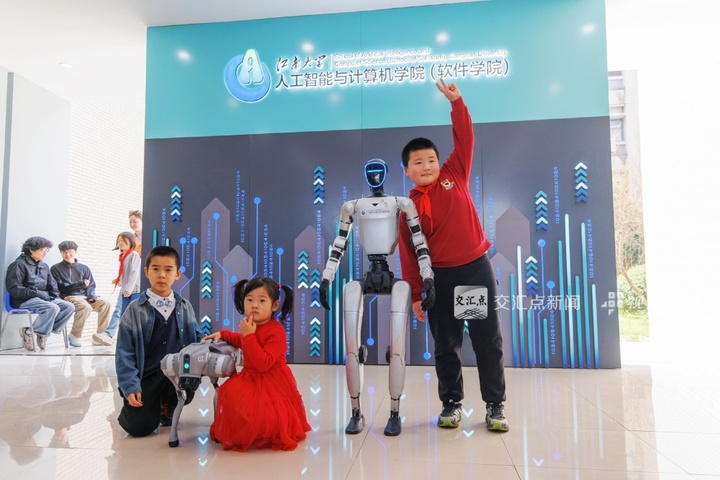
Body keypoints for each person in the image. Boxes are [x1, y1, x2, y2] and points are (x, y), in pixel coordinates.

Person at [398, 79, 509, 432]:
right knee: (447, 345)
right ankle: (451, 404)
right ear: (407, 170)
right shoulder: (407, 207)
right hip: (440, 280)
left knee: (485, 340)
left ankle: (495, 406)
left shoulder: (454, 174)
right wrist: (417, 294)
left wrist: (457, 103)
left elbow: (465, 138)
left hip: (473, 272)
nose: (427, 165)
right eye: (418, 162)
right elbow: (409, 255)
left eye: (431, 159)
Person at [202, 277, 310, 451]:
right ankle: (248, 428)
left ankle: (263, 429)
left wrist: (249, 335)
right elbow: (242, 340)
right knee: (229, 392)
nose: (254, 305)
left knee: (265, 411)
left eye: (262, 301)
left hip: (271, 380)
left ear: (274, 305)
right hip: (251, 376)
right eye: (249, 300)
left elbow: (263, 363)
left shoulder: (276, 331)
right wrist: (223, 334)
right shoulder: (251, 326)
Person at [115, 246, 203, 437]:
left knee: (174, 407)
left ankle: (167, 405)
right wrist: (130, 386)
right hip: (148, 376)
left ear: (177, 274)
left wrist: (212, 342)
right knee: (139, 428)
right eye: (155, 269)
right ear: (146, 272)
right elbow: (124, 353)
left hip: (176, 374)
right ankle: (142, 407)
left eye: (168, 269)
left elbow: (196, 339)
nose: (162, 275)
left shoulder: (185, 306)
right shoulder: (134, 310)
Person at [5, 236, 75, 352]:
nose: (45, 253)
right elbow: (14, 288)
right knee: (52, 308)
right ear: (31, 249)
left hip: (43, 299)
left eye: (47, 250)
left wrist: (54, 297)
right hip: (23, 300)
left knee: (68, 306)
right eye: (42, 250)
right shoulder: (18, 264)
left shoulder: (44, 266)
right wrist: (36, 293)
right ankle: (29, 332)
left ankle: (42, 333)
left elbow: (52, 286)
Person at [50, 240, 113, 347]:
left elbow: (91, 285)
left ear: (75, 251)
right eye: (64, 252)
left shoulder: (84, 268)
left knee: (105, 303)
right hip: (69, 296)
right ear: (61, 253)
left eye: (70, 252)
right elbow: (60, 287)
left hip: (85, 296)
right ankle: (74, 335)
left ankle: (100, 336)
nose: (67, 254)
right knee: (85, 307)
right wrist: (80, 284)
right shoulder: (56, 269)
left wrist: (91, 296)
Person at [105, 210, 142, 339]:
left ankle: (112, 334)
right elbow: (126, 267)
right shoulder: (129, 239)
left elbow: (135, 270)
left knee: (128, 311)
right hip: (128, 283)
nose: (132, 224)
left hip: (137, 283)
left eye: (135, 221)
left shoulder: (145, 239)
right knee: (121, 309)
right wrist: (120, 278)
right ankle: (113, 334)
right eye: (130, 221)